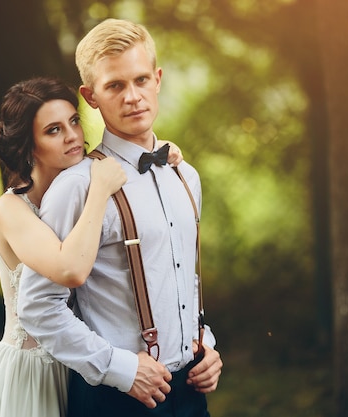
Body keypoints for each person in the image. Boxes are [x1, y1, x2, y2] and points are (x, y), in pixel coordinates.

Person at [17, 19, 223, 417]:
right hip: (116, 399)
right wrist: (120, 369)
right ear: (90, 96)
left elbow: (183, 277)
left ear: (158, 79)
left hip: (192, 394)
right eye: (115, 86)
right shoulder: (76, 187)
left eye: (141, 80)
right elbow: (39, 305)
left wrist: (207, 344)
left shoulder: (186, 175)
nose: (133, 97)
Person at [0, 76, 183, 417]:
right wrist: (98, 192)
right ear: (29, 146)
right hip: (35, 373)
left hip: (83, 365)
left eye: (74, 121)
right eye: (53, 130)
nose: (73, 137)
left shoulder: (77, 185)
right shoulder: (12, 210)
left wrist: (158, 150)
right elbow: (72, 269)